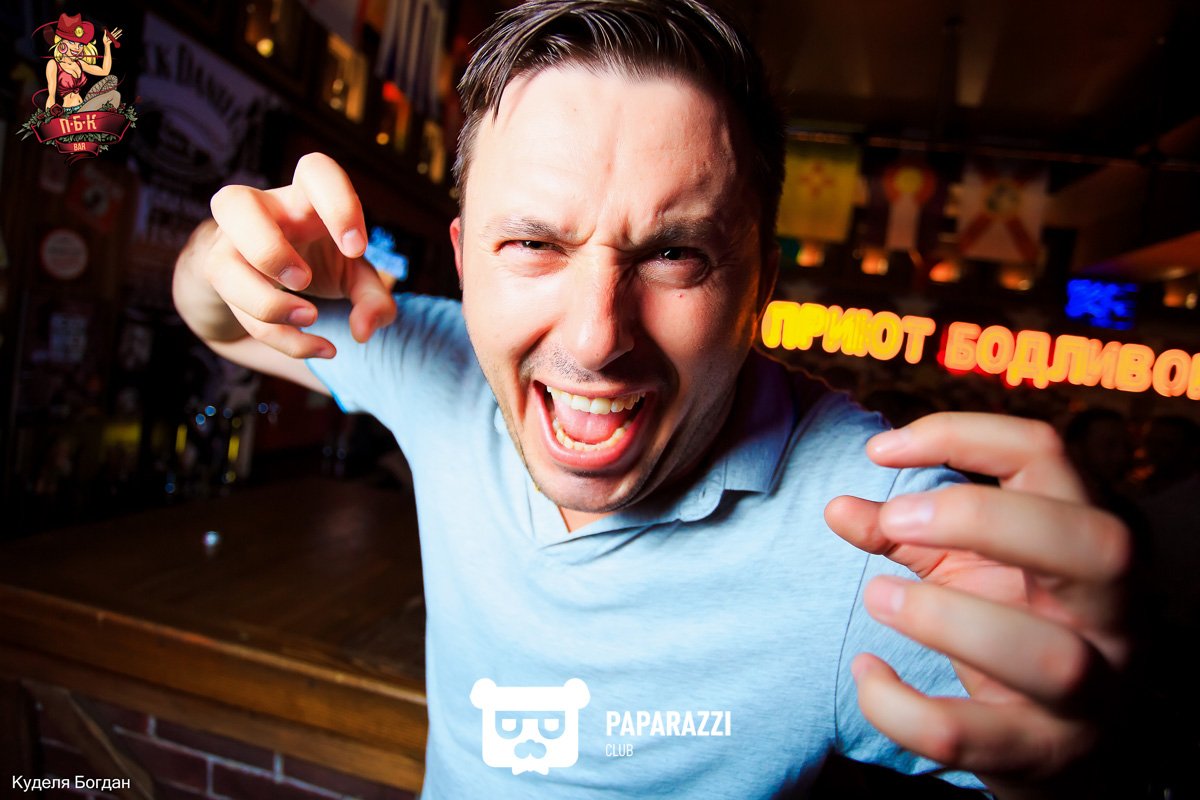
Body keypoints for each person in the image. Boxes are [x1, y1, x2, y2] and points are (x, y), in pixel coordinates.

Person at [173, 1, 1132, 797]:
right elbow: (213, 319)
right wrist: (237, 259)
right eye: (534, 244)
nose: (596, 338)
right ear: (466, 265)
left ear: (759, 288)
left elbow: (1051, 745)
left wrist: (1080, 755)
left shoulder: (882, 531)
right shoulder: (443, 364)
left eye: (675, 254)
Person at [35, 12, 123, 116]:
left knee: (114, 95)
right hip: (69, 112)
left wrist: (107, 46)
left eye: (80, 44)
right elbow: (51, 96)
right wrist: (50, 118)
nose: (77, 48)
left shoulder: (80, 63)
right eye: (72, 42)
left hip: (84, 108)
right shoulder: (53, 64)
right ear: (61, 42)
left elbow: (105, 71)